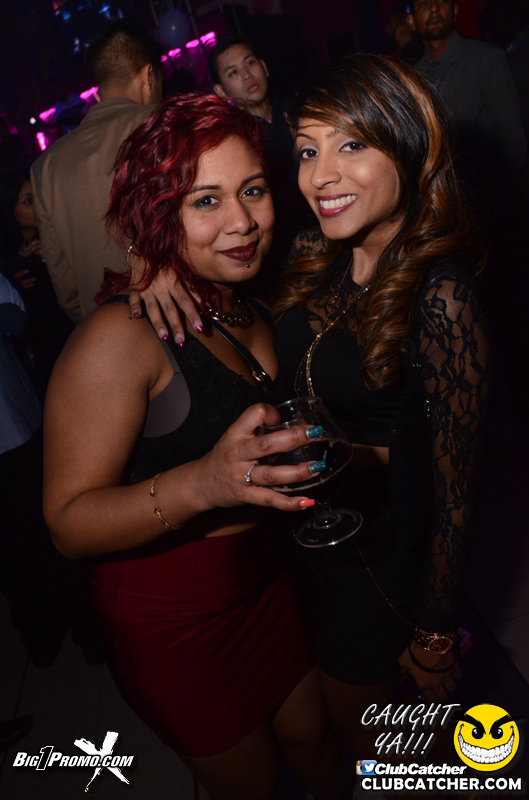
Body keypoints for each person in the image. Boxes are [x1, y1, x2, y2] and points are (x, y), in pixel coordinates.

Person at [135, 56, 491, 761]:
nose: (320, 175)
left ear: (406, 145)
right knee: (325, 732)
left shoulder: (443, 299)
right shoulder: (310, 252)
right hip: (299, 552)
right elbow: (214, 255)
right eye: (306, 150)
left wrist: (433, 630)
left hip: (379, 563)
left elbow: (457, 495)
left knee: (376, 750)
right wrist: (153, 262)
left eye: (350, 145)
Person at [43, 94, 344, 800]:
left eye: (252, 191)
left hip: (266, 581)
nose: (241, 221)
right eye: (205, 200)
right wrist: (202, 483)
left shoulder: (249, 294)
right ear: (159, 213)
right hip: (174, 625)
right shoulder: (119, 338)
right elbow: (66, 524)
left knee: (316, 744)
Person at [30, 20, 164, 324]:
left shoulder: (44, 168)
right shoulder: (163, 122)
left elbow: (67, 291)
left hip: (106, 332)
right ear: (148, 76)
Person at [407, 0, 526, 212]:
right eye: (423, 4)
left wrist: (508, 199)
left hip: (493, 204)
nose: (433, 8)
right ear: (412, 21)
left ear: (455, 10)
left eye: (441, 1)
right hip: (445, 208)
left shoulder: (486, 59)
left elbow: (513, 136)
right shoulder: (413, 78)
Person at [0, 172, 73, 388]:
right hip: (44, 356)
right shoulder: (8, 263)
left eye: (37, 198)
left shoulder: (57, 239)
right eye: (28, 201)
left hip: (73, 335)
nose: (37, 207)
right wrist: (15, 289)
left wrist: (53, 258)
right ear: (11, 210)